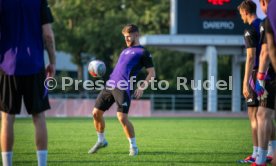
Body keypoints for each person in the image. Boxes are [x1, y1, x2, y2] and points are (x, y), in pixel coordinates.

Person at [0, 0, 56, 166]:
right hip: (35, 64)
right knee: (38, 116)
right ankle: (42, 164)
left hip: (8, 65)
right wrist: (52, 61)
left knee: (7, 118)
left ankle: (7, 163)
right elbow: (48, 35)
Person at [88, 24, 155, 156]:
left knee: (122, 117)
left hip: (124, 87)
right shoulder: (124, 51)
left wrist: (142, 87)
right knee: (96, 113)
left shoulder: (143, 52)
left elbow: (152, 74)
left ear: (137, 35)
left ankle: (133, 147)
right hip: (110, 85)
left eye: (128, 36)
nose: (127, 39)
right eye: (125, 37)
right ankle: (101, 141)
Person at [250, 0, 276, 165]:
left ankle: (260, 159)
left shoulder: (268, 20)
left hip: (271, 74)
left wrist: (259, 78)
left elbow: (265, 52)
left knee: (262, 114)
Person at [237, 0, 262, 163]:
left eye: (241, 14)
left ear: (245, 12)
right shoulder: (266, 25)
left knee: (253, 114)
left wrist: (245, 81)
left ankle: (256, 154)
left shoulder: (250, 29)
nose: (241, 18)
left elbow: (251, 57)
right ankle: (270, 152)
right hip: (268, 74)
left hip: (255, 75)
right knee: (265, 115)